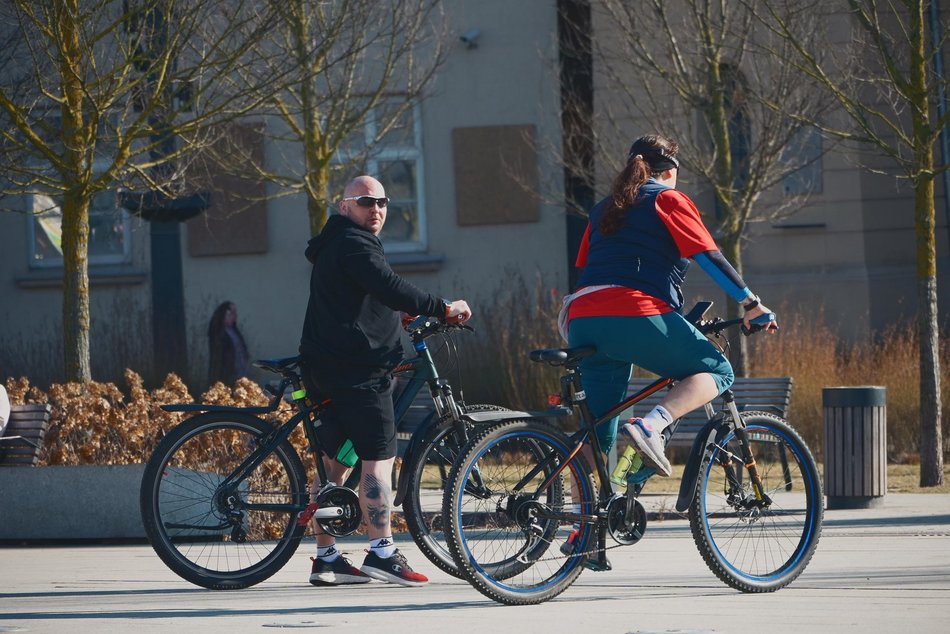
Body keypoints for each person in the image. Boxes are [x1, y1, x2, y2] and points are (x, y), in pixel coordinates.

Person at [563, 134, 777, 480]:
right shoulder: (667, 198)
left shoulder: (603, 209)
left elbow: (590, 267)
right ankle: (652, 426)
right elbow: (707, 255)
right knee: (718, 370)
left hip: (582, 317)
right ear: (669, 171)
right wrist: (751, 304)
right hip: (633, 312)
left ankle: (579, 526)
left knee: (598, 432)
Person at [299, 175, 472, 588]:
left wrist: (396, 313)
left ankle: (327, 559)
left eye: (381, 202)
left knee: (334, 466)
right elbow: (387, 284)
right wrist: (441, 307)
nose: (375, 208)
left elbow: (362, 293)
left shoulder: (336, 243)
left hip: (326, 366)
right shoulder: (355, 243)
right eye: (364, 201)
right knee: (378, 458)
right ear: (345, 206)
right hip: (358, 371)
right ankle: (382, 553)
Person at [207, 301, 250, 386]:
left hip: (241, 374)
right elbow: (218, 359)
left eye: (235, 313)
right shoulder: (219, 333)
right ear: (223, 315)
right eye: (231, 313)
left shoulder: (234, 331)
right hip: (228, 377)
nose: (235, 316)